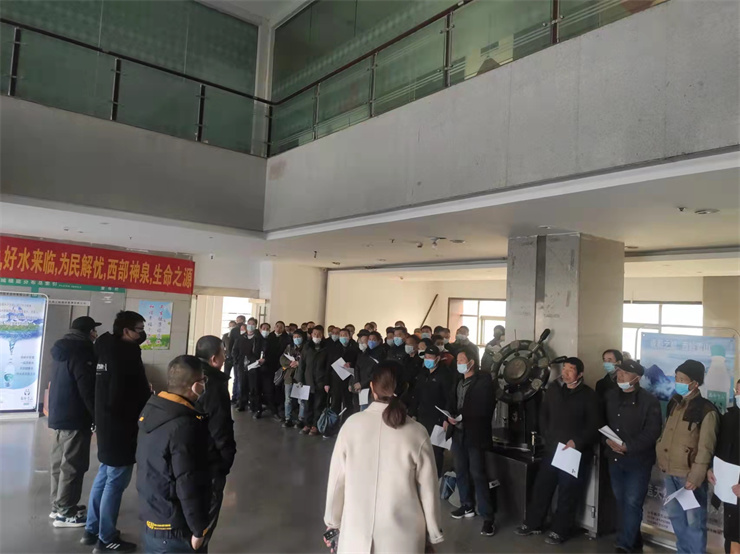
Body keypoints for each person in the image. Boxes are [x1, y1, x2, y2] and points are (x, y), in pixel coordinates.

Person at [324, 361, 444, 554]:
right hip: (404, 539)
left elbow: (337, 479)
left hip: (356, 533)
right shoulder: (417, 433)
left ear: (372, 388)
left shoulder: (351, 426)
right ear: (405, 388)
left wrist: (333, 521)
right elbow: (428, 489)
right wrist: (433, 531)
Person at [84, 311, 151, 553]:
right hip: (121, 427)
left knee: (105, 475)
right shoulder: (125, 355)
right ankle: (106, 537)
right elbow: (126, 394)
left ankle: (92, 529)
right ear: (126, 331)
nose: (142, 334)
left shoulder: (106, 348)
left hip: (106, 423)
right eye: (139, 329)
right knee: (115, 482)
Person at [516, 357, 600, 545]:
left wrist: (577, 442)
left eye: (571, 370)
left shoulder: (589, 396)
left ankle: (560, 530)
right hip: (553, 448)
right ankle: (533, 523)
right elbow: (544, 414)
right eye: (564, 369)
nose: (566, 373)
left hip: (574, 452)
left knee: (567, 492)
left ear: (580, 374)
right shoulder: (554, 390)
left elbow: (595, 425)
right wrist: (547, 435)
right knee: (542, 487)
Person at [136, 355, 212, 554]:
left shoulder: (154, 410)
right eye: (203, 380)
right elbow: (188, 481)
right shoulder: (185, 426)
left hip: (153, 517)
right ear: (195, 386)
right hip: (176, 530)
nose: (205, 385)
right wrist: (198, 529)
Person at [656, 360, 719, 554]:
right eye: (676, 377)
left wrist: (696, 476)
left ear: (695, 383)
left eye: (682, 379)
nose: (678, 382)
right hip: (670, 471)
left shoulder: (706, 410)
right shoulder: (675, 403)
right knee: (676, 517)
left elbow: (706, 447)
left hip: (689, 476)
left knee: (694, 522)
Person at [603, 359, 662, 554]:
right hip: (614, 458)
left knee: (632, 502)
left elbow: (652, 432)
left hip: (638, 462)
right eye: (619, 372)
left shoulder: (649, 401)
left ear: (637, 378)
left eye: (625, 373)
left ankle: (624, 544)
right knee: (621, 501)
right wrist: (607, 441)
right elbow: (602, 422)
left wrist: (629, 447)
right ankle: (633, 539)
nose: (620, 376)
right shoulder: (611, 396)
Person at [48, 316, 100, 528]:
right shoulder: (82, 351)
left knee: (59, 463)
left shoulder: (62, 349)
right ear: (88, 332)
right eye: (94, 330)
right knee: (73, 465)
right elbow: (86, 387)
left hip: (59, 413)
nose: (95, 334)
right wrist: (96, 415)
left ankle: (58, 505)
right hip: (75, 415)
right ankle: (66, 512)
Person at [445, 350, 497, 536]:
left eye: (462, 360)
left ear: (471, 362)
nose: (459, 363)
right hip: (458, 433)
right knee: (461, 471)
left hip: (475, 435)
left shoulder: (483, 382)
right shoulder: (458, 381)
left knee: (478, 474)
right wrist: (448, 416)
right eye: (458, 360)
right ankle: (466, 505)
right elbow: (452, 402)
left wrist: (462, 416)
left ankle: (487, 517)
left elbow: (484, 407)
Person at [194, 335, 236, 539]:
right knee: (206, 516)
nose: (225, 356)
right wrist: (226, 459)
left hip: (189, 453)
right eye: (223, 353)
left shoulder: (190, 374)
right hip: (210, 459)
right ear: (214, 359)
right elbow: (220, 426)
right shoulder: (215, 385)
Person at [409, 345, 453, 478]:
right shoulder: (423, 374)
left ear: (437, 358)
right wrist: (412, 413)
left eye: (430, 357)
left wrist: (446, 418)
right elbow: (416, 395)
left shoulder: (445, 375)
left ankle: (436, 478)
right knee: (420, 448)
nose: (427, 359)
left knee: (435, 451)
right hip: (422, 416)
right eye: (426, 357)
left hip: (438, 419)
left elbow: (449, 398)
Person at [708, 379, 740, 554]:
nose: (738, 395)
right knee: (732, 536)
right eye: (737, 391)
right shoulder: (729, 417)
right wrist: (711, 469)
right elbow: (719, 448)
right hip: (730, 490)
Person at [295, 325, 329, 436]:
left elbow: (328, 367)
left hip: (320, 382)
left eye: (319, 334)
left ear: (322, 335)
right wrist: (300, 379)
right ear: (311, 335)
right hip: (307, 381)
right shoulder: (307, 347)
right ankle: (307, 424)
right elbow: (302, 365)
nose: (316, 336)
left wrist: (326, 382)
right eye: (314, 334)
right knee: (307, 405)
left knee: (318, 405)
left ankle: (315, 425)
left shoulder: (326, 349)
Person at [327, 328, 358, 428]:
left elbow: (358, 364)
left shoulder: (355, 348)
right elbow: (328, 366)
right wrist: (327, 383)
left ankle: (345, 425)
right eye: (341, 335)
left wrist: (351, 364)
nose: (343, 337)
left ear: (349, 336)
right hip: (336, 381)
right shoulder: (334, 349)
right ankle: (333, 426)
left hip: (348, 381)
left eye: (345, 335)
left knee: (348, 405)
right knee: (335, 404)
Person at [235, 318, 263, 415]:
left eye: (253, 324)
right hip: (242, 365)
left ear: (255, 326)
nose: (251, 325)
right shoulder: (241, 337)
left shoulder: (258, 339)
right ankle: (242, 404)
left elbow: (261, 351)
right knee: (242, 385)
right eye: (249, 323)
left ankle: (254, 407)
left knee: (253, 387)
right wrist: (237, 361)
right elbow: (235, 350)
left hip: (253, 366)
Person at [352, 331, 386, 411]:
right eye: (369, 339)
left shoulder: (381, 354)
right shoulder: (364, 353)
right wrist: (357, 382)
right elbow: (357, 367)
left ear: (379, 341)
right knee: (362, 409)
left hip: (372, 387)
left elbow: (376, 373)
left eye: (373, 340)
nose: (371, 341)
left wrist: (362, 384)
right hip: (361, 387)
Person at [281, 330, 307, 429]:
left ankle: (301, 419)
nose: (296, 339)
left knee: (302, 400)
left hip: (301, 377)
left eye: (298, 337)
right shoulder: (289, 347)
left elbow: (308, 361)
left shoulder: (307, 348)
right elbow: (282, 359)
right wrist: (291, 363)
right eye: (294, 337)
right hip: (289, 377)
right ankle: (288, 418)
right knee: (288, 399)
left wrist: (299, 363)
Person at [259, 322, 280, 421]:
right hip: (256, 369)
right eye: (264, 328)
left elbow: (275, 355)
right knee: (257, 390)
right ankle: (258, 409)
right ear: (260, 329)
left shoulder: (273, 340)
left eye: (267, 329)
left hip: (269, 369)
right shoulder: (256, 339)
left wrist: (266, 360)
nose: (265, 330)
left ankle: (273, 410)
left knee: (269, 390)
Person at [226, 316, 246, 402]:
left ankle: (238, 397)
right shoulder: (234, 331)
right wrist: (232, 356)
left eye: (240, 320)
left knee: (239, 378)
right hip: (236, 357)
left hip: (241, 358)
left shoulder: (244, 329)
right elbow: (230, 345)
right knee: (237, 378)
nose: (238, 322)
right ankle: (236, 397)